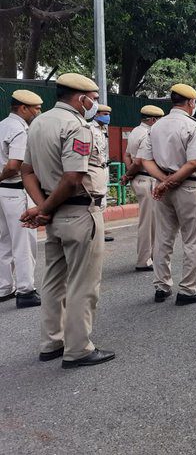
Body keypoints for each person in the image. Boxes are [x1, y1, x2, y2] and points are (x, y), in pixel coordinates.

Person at [20, 73, 115, 368]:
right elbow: (73, 178)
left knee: (53, 281)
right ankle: (78, 349)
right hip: (79, 212)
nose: (95, 104)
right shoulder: (78, 127)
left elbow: (26, 171)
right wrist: (44, 208)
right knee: (82, 283)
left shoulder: (38, 123)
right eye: (94, 98)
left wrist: (42, 208)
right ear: (80, 98)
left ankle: (52, 342)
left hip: (55, 214)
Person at [139, 84, 196, 305]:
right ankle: (188, 289)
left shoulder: (156, 127)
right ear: (190, 103)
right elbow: (193, 162)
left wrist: (163, 181)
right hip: (187, 187)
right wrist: (169, 182)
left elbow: (145, 161)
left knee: (163, 238)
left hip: (162, 188)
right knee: (193, 240)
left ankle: (162, 286)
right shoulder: (193, 126)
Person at [0, 90, 42, 308]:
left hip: (2, 192)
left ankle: (4, 287)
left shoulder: (2, 125)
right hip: (16, 191)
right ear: (23, 108)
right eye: (35, 108)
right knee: (24, 242)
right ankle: (26, 290)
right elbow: (14, 165)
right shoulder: (20, 130)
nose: (38, 112)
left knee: (4, 240)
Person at [121, 105, 165, 272]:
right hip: (147, 179)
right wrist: (128, 175)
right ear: (153, 120)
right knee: (148, 223)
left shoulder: (134, 132)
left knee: (150, 221)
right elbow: (140, 161)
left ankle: (150, 256)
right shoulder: (148, 134)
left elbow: (127, 156)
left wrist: (129, 174)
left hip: (139, 179)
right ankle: (144, 259)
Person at [92, 104, 114, 242]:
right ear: (96, 114)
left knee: (103, 201)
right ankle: (96, 231)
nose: (107, 117)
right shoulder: (90, 129)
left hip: (104, 168)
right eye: (104, 114)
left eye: (108, 114)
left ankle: (100, 229)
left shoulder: (103, 129)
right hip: (95, 168)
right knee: (96, 201)